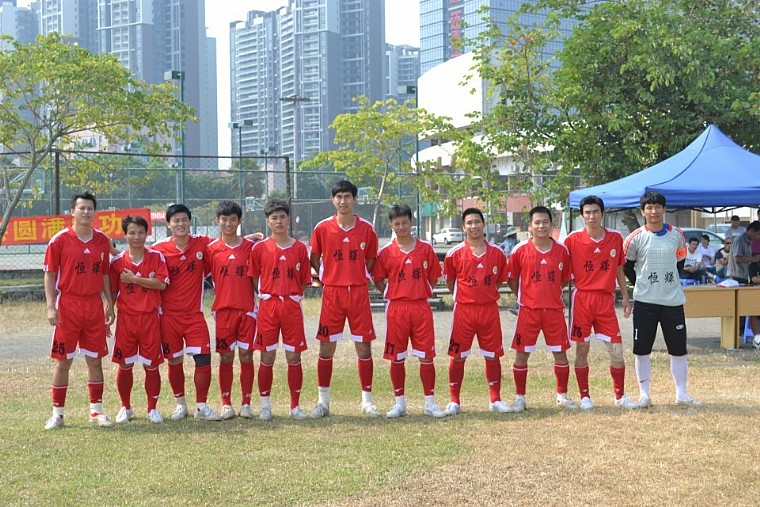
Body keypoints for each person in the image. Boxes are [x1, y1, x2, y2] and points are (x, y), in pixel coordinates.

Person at [43, 191, 115, 430]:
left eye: (90, 208)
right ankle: (58, 414)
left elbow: (105, 273)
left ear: (95, 212)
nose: (86, 212)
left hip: (93, 306)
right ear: (72, 211)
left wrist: (109, 303)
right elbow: (50, 274)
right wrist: (51, 306)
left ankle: (96, 412)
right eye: (81, 208)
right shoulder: (59, 240)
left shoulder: (102, 240)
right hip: (68, 306)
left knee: (95, 360)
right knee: (63, 361)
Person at [309, 180, 380, 418]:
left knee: (364, 347)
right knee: (326, 347)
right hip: (333, 293)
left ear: (355, 199)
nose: (343, 201)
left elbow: (371, 259)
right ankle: (323, 402)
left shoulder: (367, 229)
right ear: (333, 200)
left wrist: (357, 274)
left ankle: (367, 401)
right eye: (338, 197)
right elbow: (314, 257)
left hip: (358, 292)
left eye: (347, 196)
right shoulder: (322, 228)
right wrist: (328, 275)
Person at [623, 190, 700, 408]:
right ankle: (644, 395)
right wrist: (641, 283)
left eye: (658, 207)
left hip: (672, 302)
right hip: (645, 303)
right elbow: (627, 266)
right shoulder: (635, 238)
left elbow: (679, 262)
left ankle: (681, 394)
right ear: (643, 212)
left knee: (678, 349)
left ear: (664, 209)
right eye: (649, 207)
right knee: (642, 349)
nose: (654, 211)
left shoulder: (677, 235)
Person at [564, 196, 637, 410]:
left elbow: (619, 268)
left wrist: (625, 297)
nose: (591, 216)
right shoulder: (572, 240)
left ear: (602, 214)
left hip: (605, 300)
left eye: (595, 211)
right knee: (582, 349)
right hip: (582, 299)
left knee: (616, 350)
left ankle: (620, 396)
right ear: (581, 216)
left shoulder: (615, 238)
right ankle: (584, 396)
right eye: (587, 212)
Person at [372, 204, 446, 419]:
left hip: (421, 307)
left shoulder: (425, 249)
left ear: (411, 222)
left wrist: (422, 290)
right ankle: (399, 404)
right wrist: (391, 292)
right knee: (397, 358)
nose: (401, 227)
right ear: (391, 226)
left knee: (426, 356)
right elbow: (378, 278)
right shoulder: (386, 252)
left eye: (405, 222)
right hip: (396, 309)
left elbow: (434, 276)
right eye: (397, 224)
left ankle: (430, 403)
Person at [151, 204, 220, 421]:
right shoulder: (158, 249)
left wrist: (250, 238)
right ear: (168, 224)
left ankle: (201, 407)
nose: (180, 224)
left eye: (184, 220)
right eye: (176, 220)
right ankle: (180, 405)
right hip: (168, 316)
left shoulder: (202, 243)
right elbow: (137, 257)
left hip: (194, 315)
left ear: (190, 222)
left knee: (203, 358)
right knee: (174, 360)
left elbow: (226, 244)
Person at [443, 207, 511, 415]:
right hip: (464, 311)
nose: (474, 226)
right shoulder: (454, 254)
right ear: (464, 228)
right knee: (458, 356)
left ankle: (495, 399)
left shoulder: (497, 253)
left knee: (492, 355)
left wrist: (484, 295)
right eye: (469, 223)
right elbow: (450, 281)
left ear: (483, 224)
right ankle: (454, 401)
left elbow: (499, 281)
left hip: (489, 310)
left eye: (477, 222)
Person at [249, 199, 313, 420]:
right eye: (274, 218)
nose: (279, 221)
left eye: (282, 217)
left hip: (291, 307)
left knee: (294, 356)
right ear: (268, 221)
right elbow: (254, 277)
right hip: (268, 307)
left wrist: (290, 294)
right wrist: (267, 293)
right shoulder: (259, 248)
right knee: (267, 356)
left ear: (289, 219)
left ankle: (295, 406)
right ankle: (265, 406)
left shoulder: (300, 248)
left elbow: (304, 280)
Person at [508, 206, 575, 412]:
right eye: (537, 222)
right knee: (521, 355)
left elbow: (564, 279)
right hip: (528, 311)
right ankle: (520, 398)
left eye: (545, 222)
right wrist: (525, 296)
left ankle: (562, 396)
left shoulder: (562, 250)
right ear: (530, 226)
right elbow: (512, 279)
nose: (541, 226)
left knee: (560, 353)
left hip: (554, 310)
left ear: (551, 225)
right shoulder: (520, 250)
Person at [110, 216, 168, 424]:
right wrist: (109, 310)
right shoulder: (117, 262)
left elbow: (161, 284)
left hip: (150, 318)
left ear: (147, 233)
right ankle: (125, 407)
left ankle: (152, 409)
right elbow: (112, 290)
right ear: (125, 235)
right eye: (132, 233)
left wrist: (134, 279)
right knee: (125, 364)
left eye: (141, 232)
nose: (136, 237)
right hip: (126, 319)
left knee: (151, 365)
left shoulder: (157, 257)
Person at [206, 201, 257, 420]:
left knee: (246, 355)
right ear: (217, 221)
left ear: (239, 221)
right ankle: (226, 403)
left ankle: (246, 403)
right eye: (224, 219)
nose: (228, 224)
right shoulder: (210, 250)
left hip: (247, 310)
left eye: (233, 219)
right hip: (223, 311)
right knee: (226, 356)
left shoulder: (251, 248)